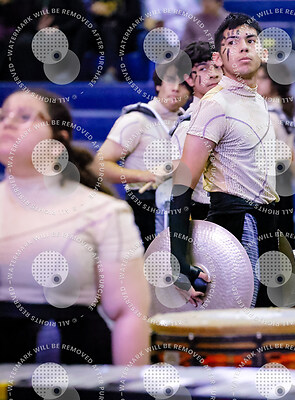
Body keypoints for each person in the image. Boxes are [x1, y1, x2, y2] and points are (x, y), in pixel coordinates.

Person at [0, 89, 150, 365]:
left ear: (58, 141)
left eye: (24, 116)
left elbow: (129, 314)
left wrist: (129, 384)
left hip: (76, 368)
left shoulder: (105, 212)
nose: (7, 123)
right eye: (2, 116)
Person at [168, 12, 280, 307]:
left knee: (267, 324)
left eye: (250, 40)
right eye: (232, 42)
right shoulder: (215, 104)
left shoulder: (259, 101)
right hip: (236, 227)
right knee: (241, 328)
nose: (243, 47)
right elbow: (182, 185)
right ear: (218, 58)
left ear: (263, 52)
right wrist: (179, 263)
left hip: (266, 224)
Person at [99, 63, 190, 249]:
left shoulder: (191, 122)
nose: (175, 88)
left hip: (182, 206)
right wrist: (144, 176)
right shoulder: (136, 119)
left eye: (183, 84)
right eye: (170, 80)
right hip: (144, 208)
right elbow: (99, 166)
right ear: (158, 85)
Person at [164, 41, 222, 224]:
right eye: (203, 69)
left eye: (217, 66)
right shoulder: (187, 127)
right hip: (206, 217)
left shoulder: (234, 116)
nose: (213, 74)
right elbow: (181, 192)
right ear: (189, 79)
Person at [256, 64, 295, 248]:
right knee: (282, 228)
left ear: (275, 81)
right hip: (277, 174)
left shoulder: (271, 111)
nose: (257, 82)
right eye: (256, 77)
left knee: (275, 229)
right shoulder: (282, 108)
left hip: (272, 174)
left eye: (263, 78)